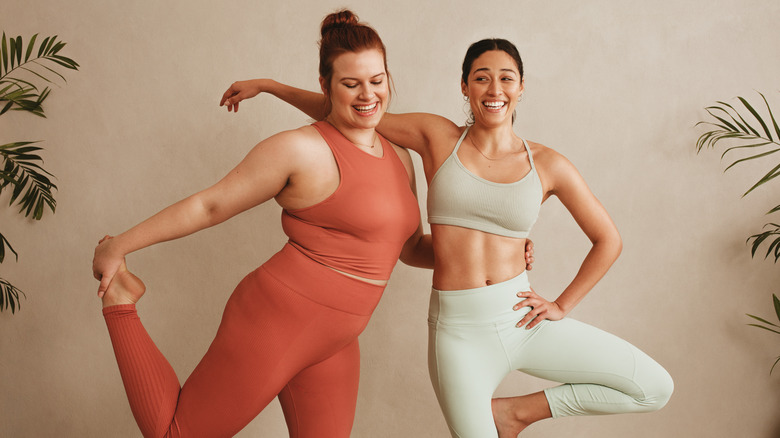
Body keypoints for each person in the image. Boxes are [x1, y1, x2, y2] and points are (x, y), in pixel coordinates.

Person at [222, 37, 673, 438]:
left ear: (521, 87)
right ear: (464, 87)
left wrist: (561, 304)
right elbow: (351, 111)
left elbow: (607, 239)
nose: (494, 90)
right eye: (481, 78)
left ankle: (515, 414)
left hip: (522, 320)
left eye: (506, 79)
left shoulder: (549, 164)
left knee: (654, 387)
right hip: (459, 334)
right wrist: (270, 86)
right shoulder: (438, 137)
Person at [93, 10, 439, 438]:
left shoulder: (399, 157)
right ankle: (121, 303)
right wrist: (119, 246)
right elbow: (210, 206)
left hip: (337, 340)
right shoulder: (299, 149)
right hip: (278, 320)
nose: (368, 94)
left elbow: (410, 249)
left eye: (377, 80)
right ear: (326, 86)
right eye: (351, 84)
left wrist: (499, 253)